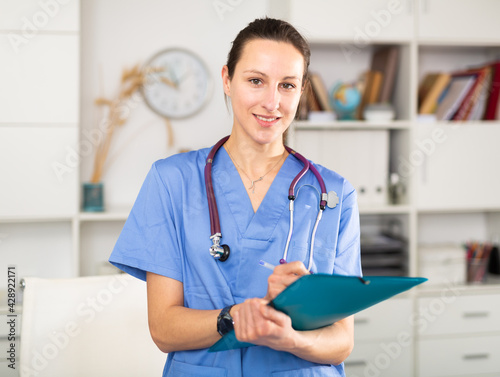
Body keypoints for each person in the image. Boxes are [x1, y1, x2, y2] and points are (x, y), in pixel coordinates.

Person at [109, 17, 361, 377]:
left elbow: (341, 341)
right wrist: (234, 318)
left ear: (301, 91)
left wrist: (289, 338)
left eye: (287, 85)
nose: (272, 102)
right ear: (227, 80)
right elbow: (164, 328)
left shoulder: (332, 194)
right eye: (256, 81)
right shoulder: (172, 181)